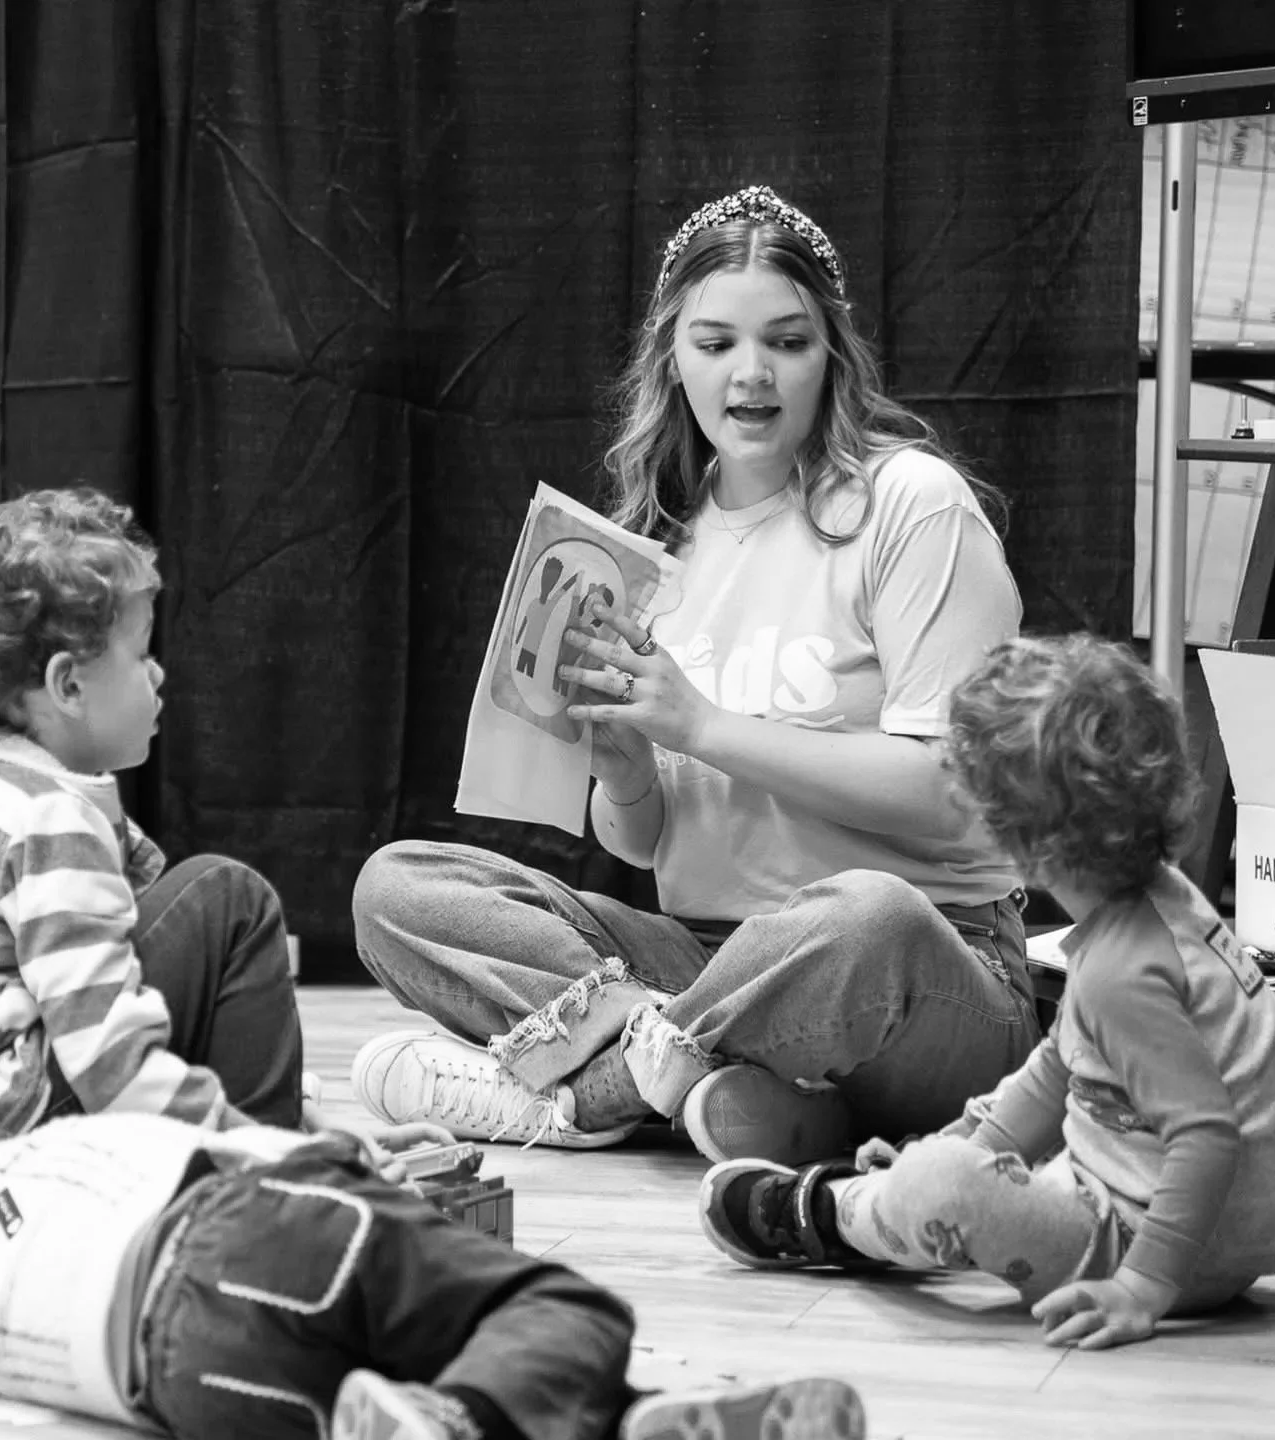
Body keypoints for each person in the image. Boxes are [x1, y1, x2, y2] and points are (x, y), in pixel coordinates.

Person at [350, 184, 1039, 1164]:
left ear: (832, 354)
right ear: (672, 356)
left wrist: (704, 726)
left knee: (865, 913)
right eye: (716, 343)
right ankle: (712, 1075)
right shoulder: (651, 543)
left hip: (929, 962)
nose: (750, 375)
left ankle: (586, 1088)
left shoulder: (910, 504)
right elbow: (639, 842)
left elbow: (962, 800)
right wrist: (628, 768)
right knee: (399, 888)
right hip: (712, 959)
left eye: (787, 342)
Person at [699, 634, 1275, 1350]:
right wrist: (967, 1139)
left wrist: (1142, 1287)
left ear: (1026, 842)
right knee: (951, 1159)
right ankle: (919, 1178)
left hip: (1163, 1241)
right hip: (1223, 1228)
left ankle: (837, 1215)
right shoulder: (1160, 903)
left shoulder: (1124, 974)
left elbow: (1207, 1137)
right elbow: (1061, 1066)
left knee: (942, 1190)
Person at [0, 1096, 867, 1440]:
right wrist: (361, 1161)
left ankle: (633, 1423)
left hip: (187, 1387)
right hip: (249, 1230)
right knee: (553, 1307)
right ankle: (559, 1416)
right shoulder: (5, 1163)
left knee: (447, 1371)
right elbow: (236, 1149)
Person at [0, 488, 304, 1134]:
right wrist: (262, 1145)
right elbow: (108, 1055)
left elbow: (108, 995)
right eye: (140, 656)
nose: (157, 676)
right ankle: (280, 1190)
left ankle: (283, 1140)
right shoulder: (47, 819)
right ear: (68, 686)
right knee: (227, 897)